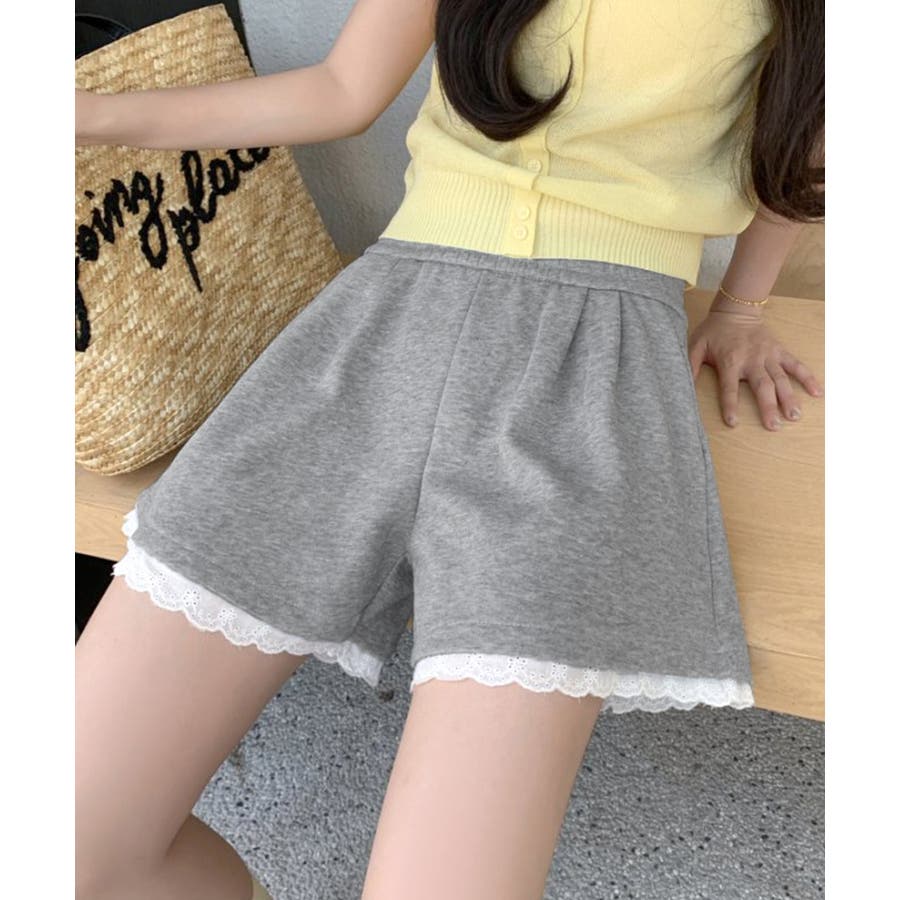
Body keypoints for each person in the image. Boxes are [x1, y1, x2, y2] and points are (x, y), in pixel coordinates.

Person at [74, 1, 825, 898]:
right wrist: (82, 115)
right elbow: (339, 88)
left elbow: (812, 116)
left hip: (597, 374)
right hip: (378, 331)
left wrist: (742, 307)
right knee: (69, 844)